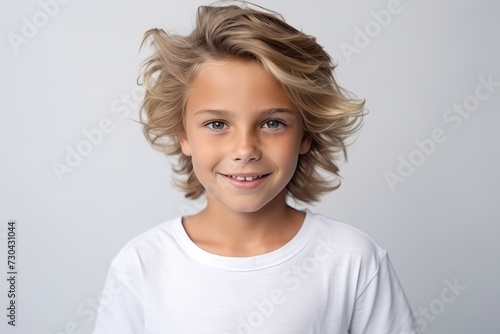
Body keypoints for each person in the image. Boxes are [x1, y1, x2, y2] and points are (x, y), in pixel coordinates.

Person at [93, 2, 420, 333]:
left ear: (306, 134)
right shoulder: (140, 266)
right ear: (184, 136)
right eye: (218, 124)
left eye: (273, 123)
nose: (245, 149)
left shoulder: (353, 261)